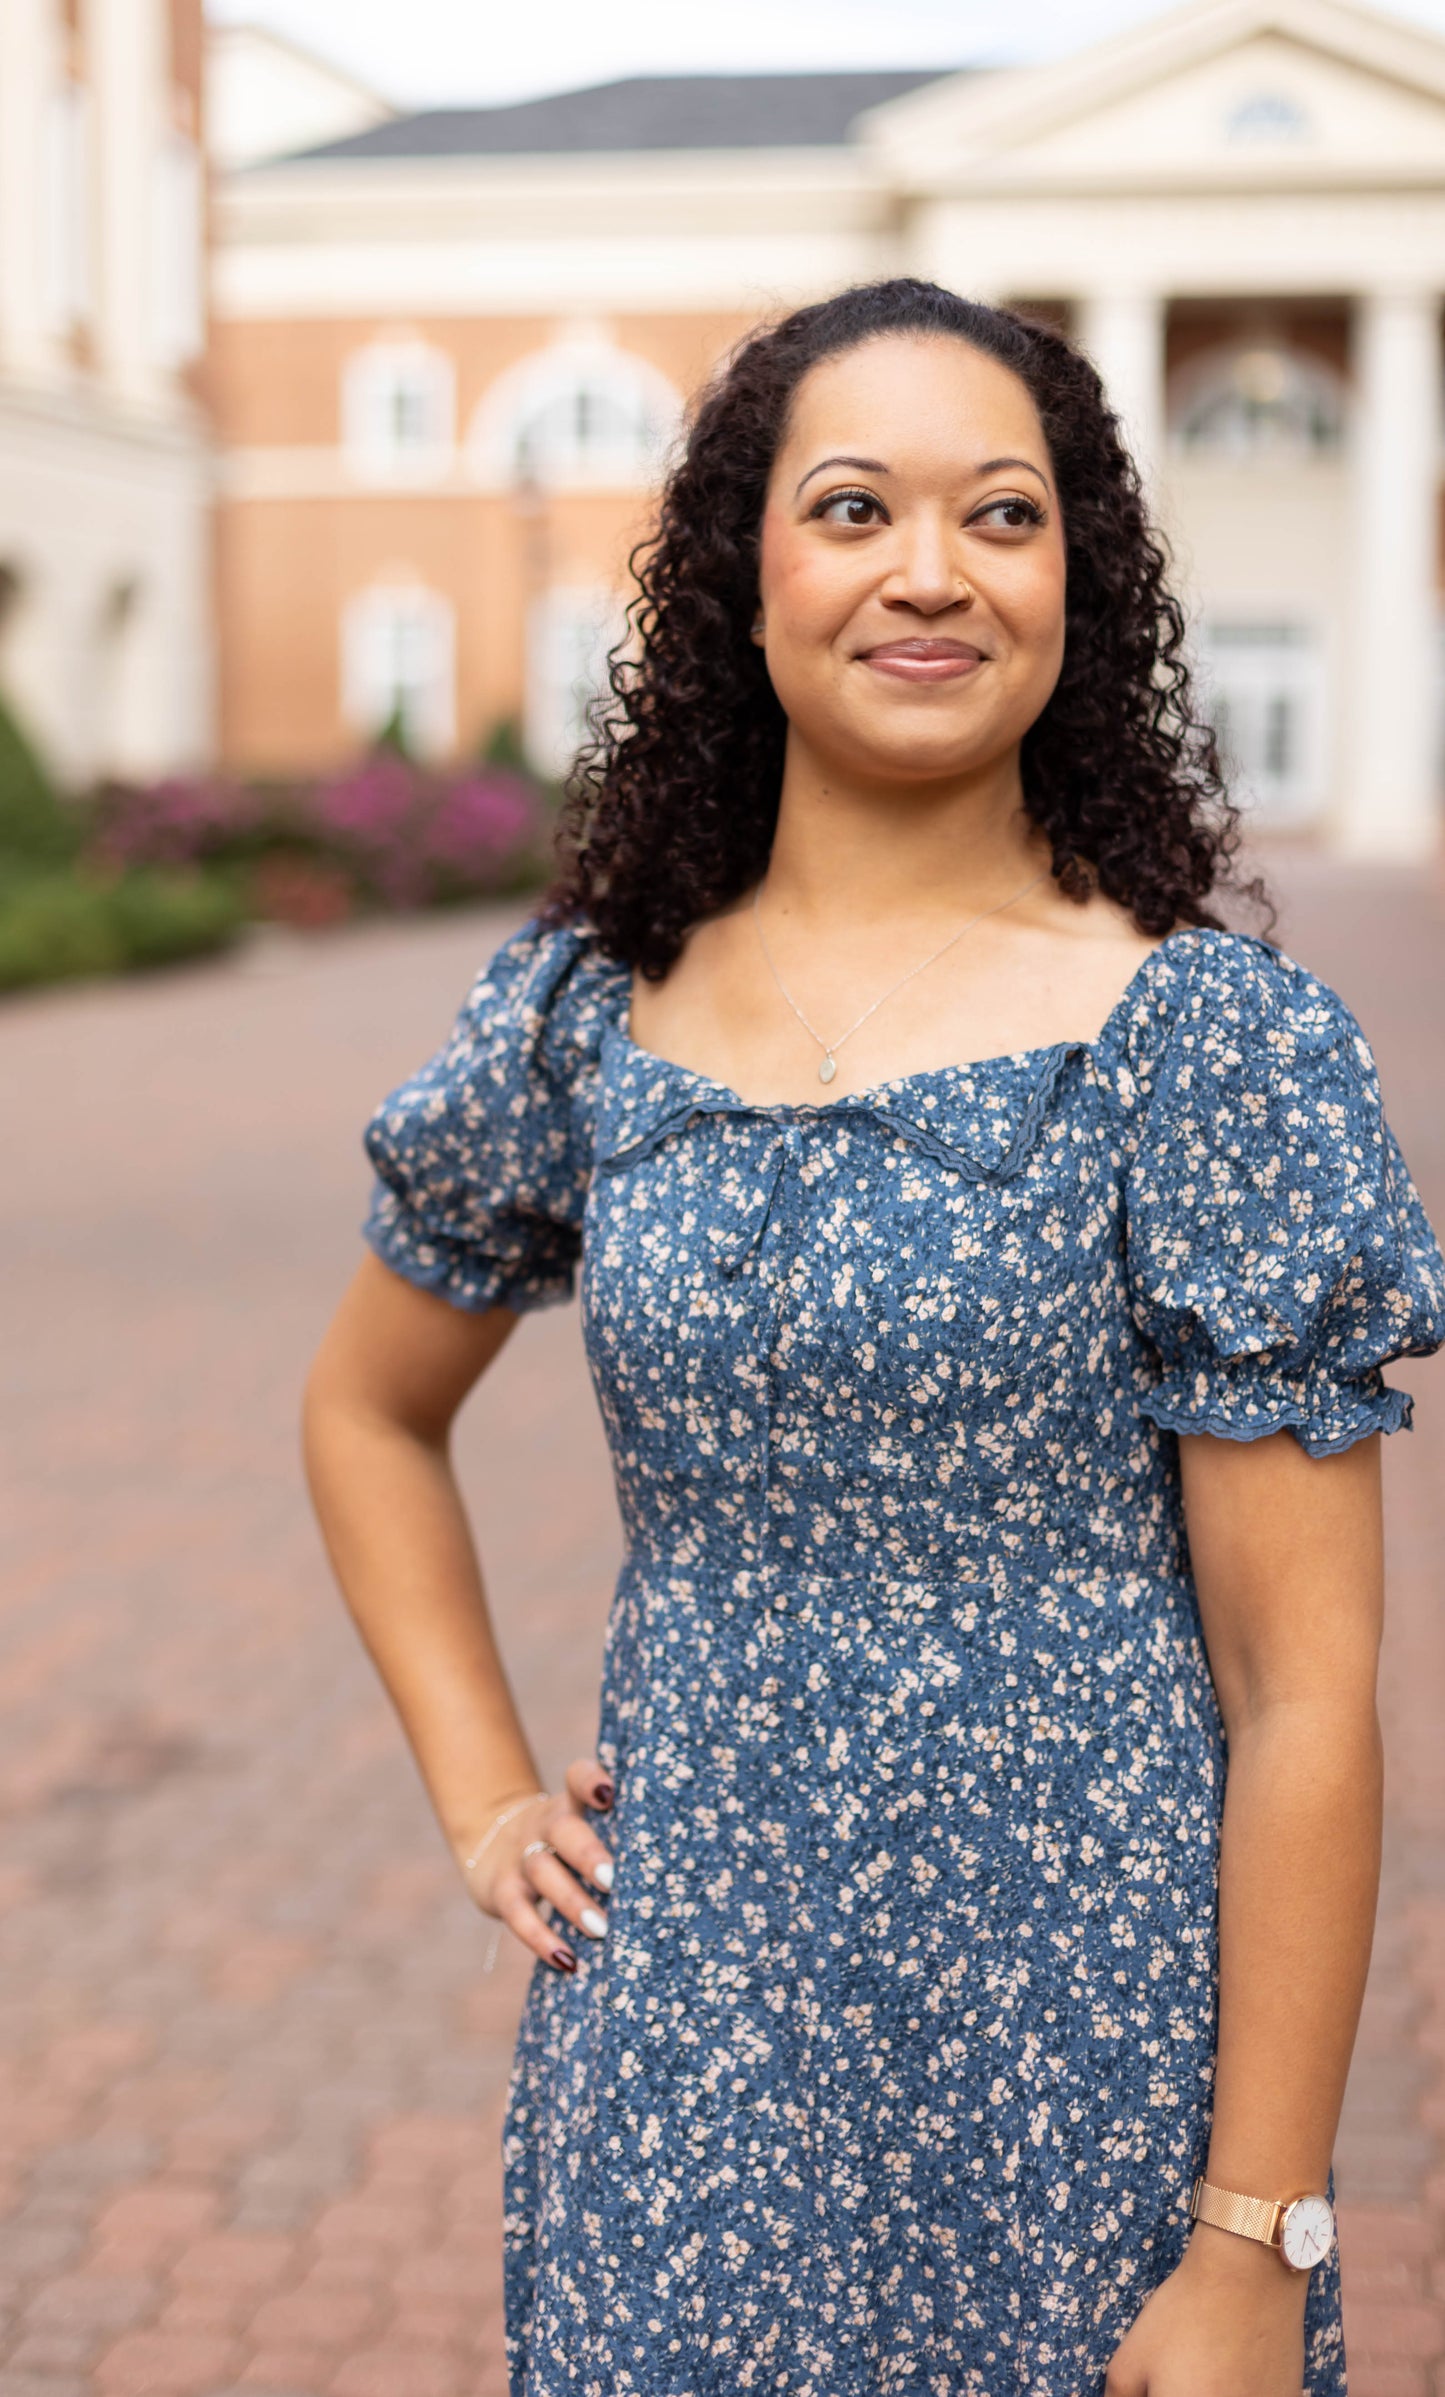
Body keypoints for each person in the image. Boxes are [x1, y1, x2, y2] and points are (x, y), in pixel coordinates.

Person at [302, 279, 1445, 2396]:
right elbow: (370, 1407)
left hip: (1091, 2061)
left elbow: (1308, 1693)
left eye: (1002, 516)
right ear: (746, 581)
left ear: (1075, 588)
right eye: (853, 507)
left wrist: (1255, 2234)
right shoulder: (585, 1009)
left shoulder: (1208, 1044)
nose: (930, 570)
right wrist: (481, 1795)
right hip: (684, 2048)